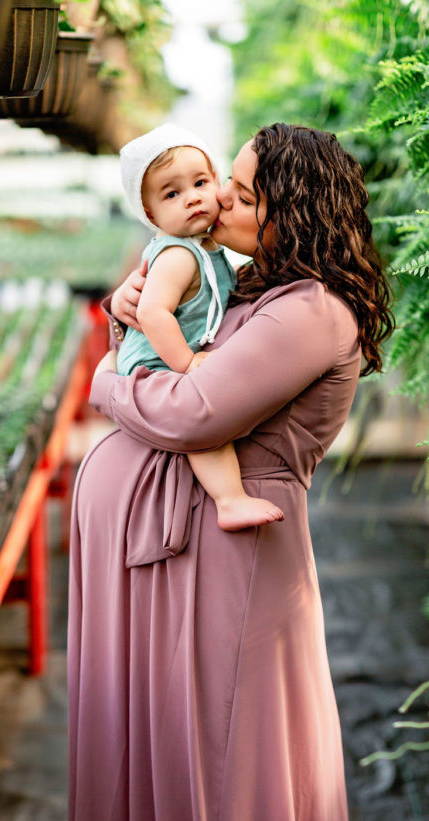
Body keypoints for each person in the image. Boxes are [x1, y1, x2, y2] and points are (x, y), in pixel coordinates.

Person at [68, 122, 393, 821]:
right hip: (183, 551)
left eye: (242, 194)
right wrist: (126, 319)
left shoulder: (311, 310)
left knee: (222, 767)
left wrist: (109, 382)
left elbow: (194, 412)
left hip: (227, 557)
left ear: (296, 209)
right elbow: (175, 365)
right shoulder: (252, 286)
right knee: (166, 750)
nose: (217, 203)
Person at [117, 123, 284, 531]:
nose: (192, 198)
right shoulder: (178, 254)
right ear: (152, 214)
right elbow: (153, 313)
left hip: (166, 357)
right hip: (157, 362)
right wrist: (186, 362)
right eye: (172, 194)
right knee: (201, 423)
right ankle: (229, 500)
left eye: (201, 182)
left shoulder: (206, 246)